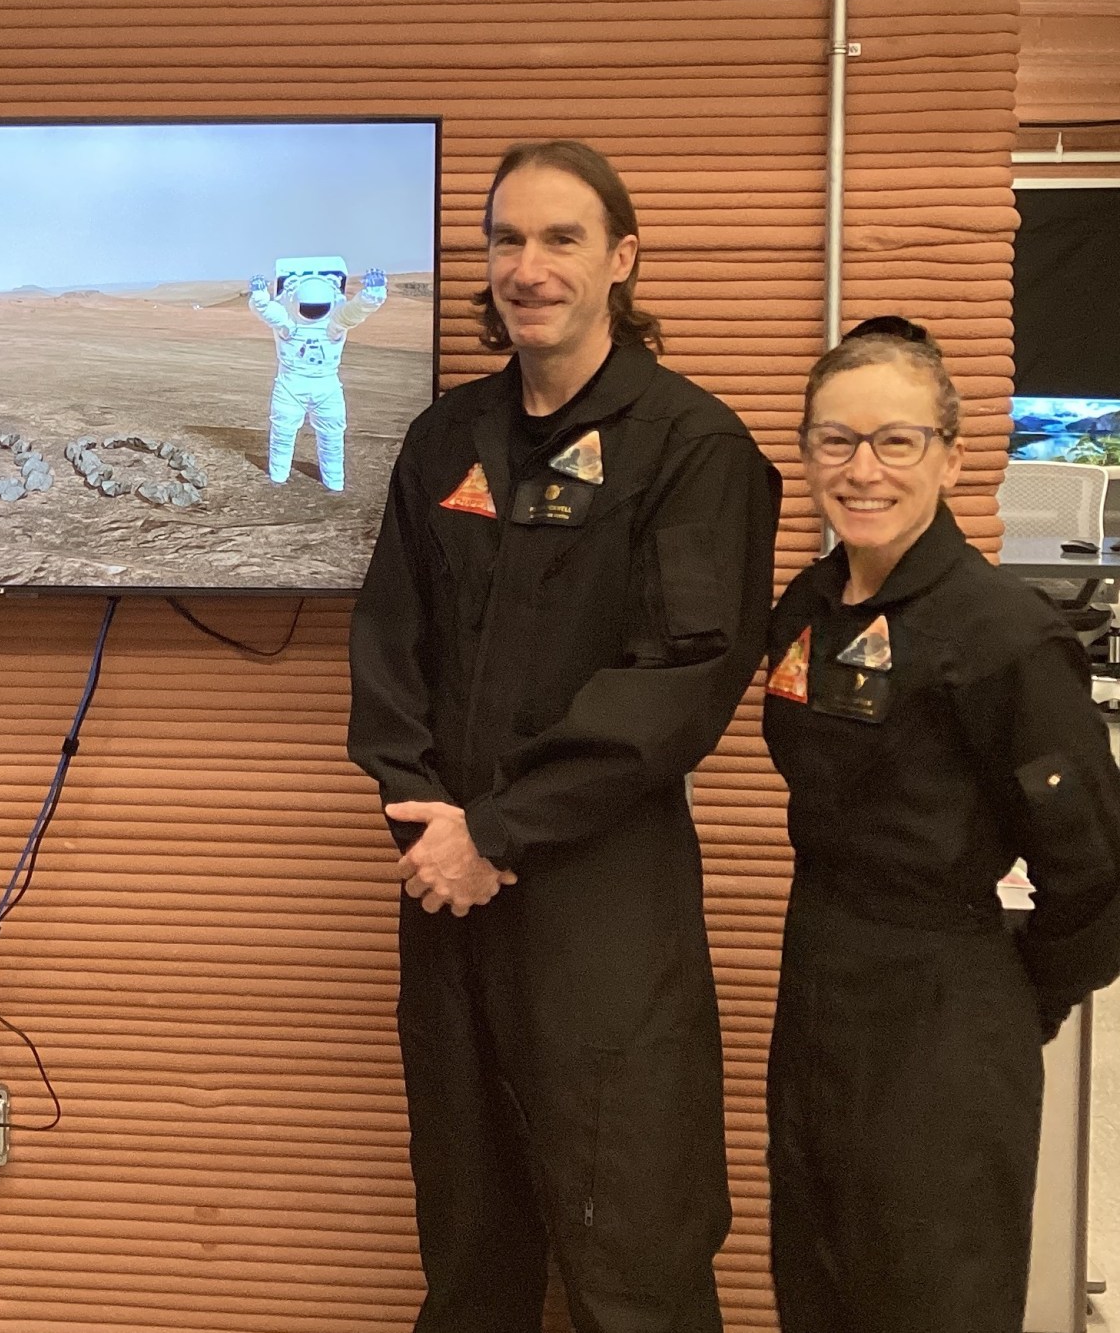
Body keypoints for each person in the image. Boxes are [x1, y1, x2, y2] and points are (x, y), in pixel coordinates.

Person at [348, 139, 780, 1332]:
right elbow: (388, 644)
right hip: (444, 893)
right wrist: (429, 820)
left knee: (625, 1232)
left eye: (558, 238)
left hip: (599, 894)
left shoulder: (689, 446)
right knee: (470, 1234)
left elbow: (685, 674)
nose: (524, 267)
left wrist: (499, 826)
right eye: (503, 240)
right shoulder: (446, 441)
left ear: (619, 259)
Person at [761, 319, 1120, 1332]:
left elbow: (1094, 875)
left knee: (931, 1299)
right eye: (834, 439)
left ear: (952, 457)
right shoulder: (808, 606)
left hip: (943, 1016)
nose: (860, 468)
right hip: (817, 992)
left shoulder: (1003, 636)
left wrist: (1007, 1004)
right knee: (815, 1284)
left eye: (894, 440)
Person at [248, 256, 387, 490]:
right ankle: (295, 479)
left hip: (302, 387)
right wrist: (372, 295)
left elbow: (354, 311)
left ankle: (315, 480)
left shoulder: (319, 321)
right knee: (302, 437)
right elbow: (353, 311)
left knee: (309, 437)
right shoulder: (311, 322)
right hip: (309, 388)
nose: (314, 311)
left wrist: (372, 295)